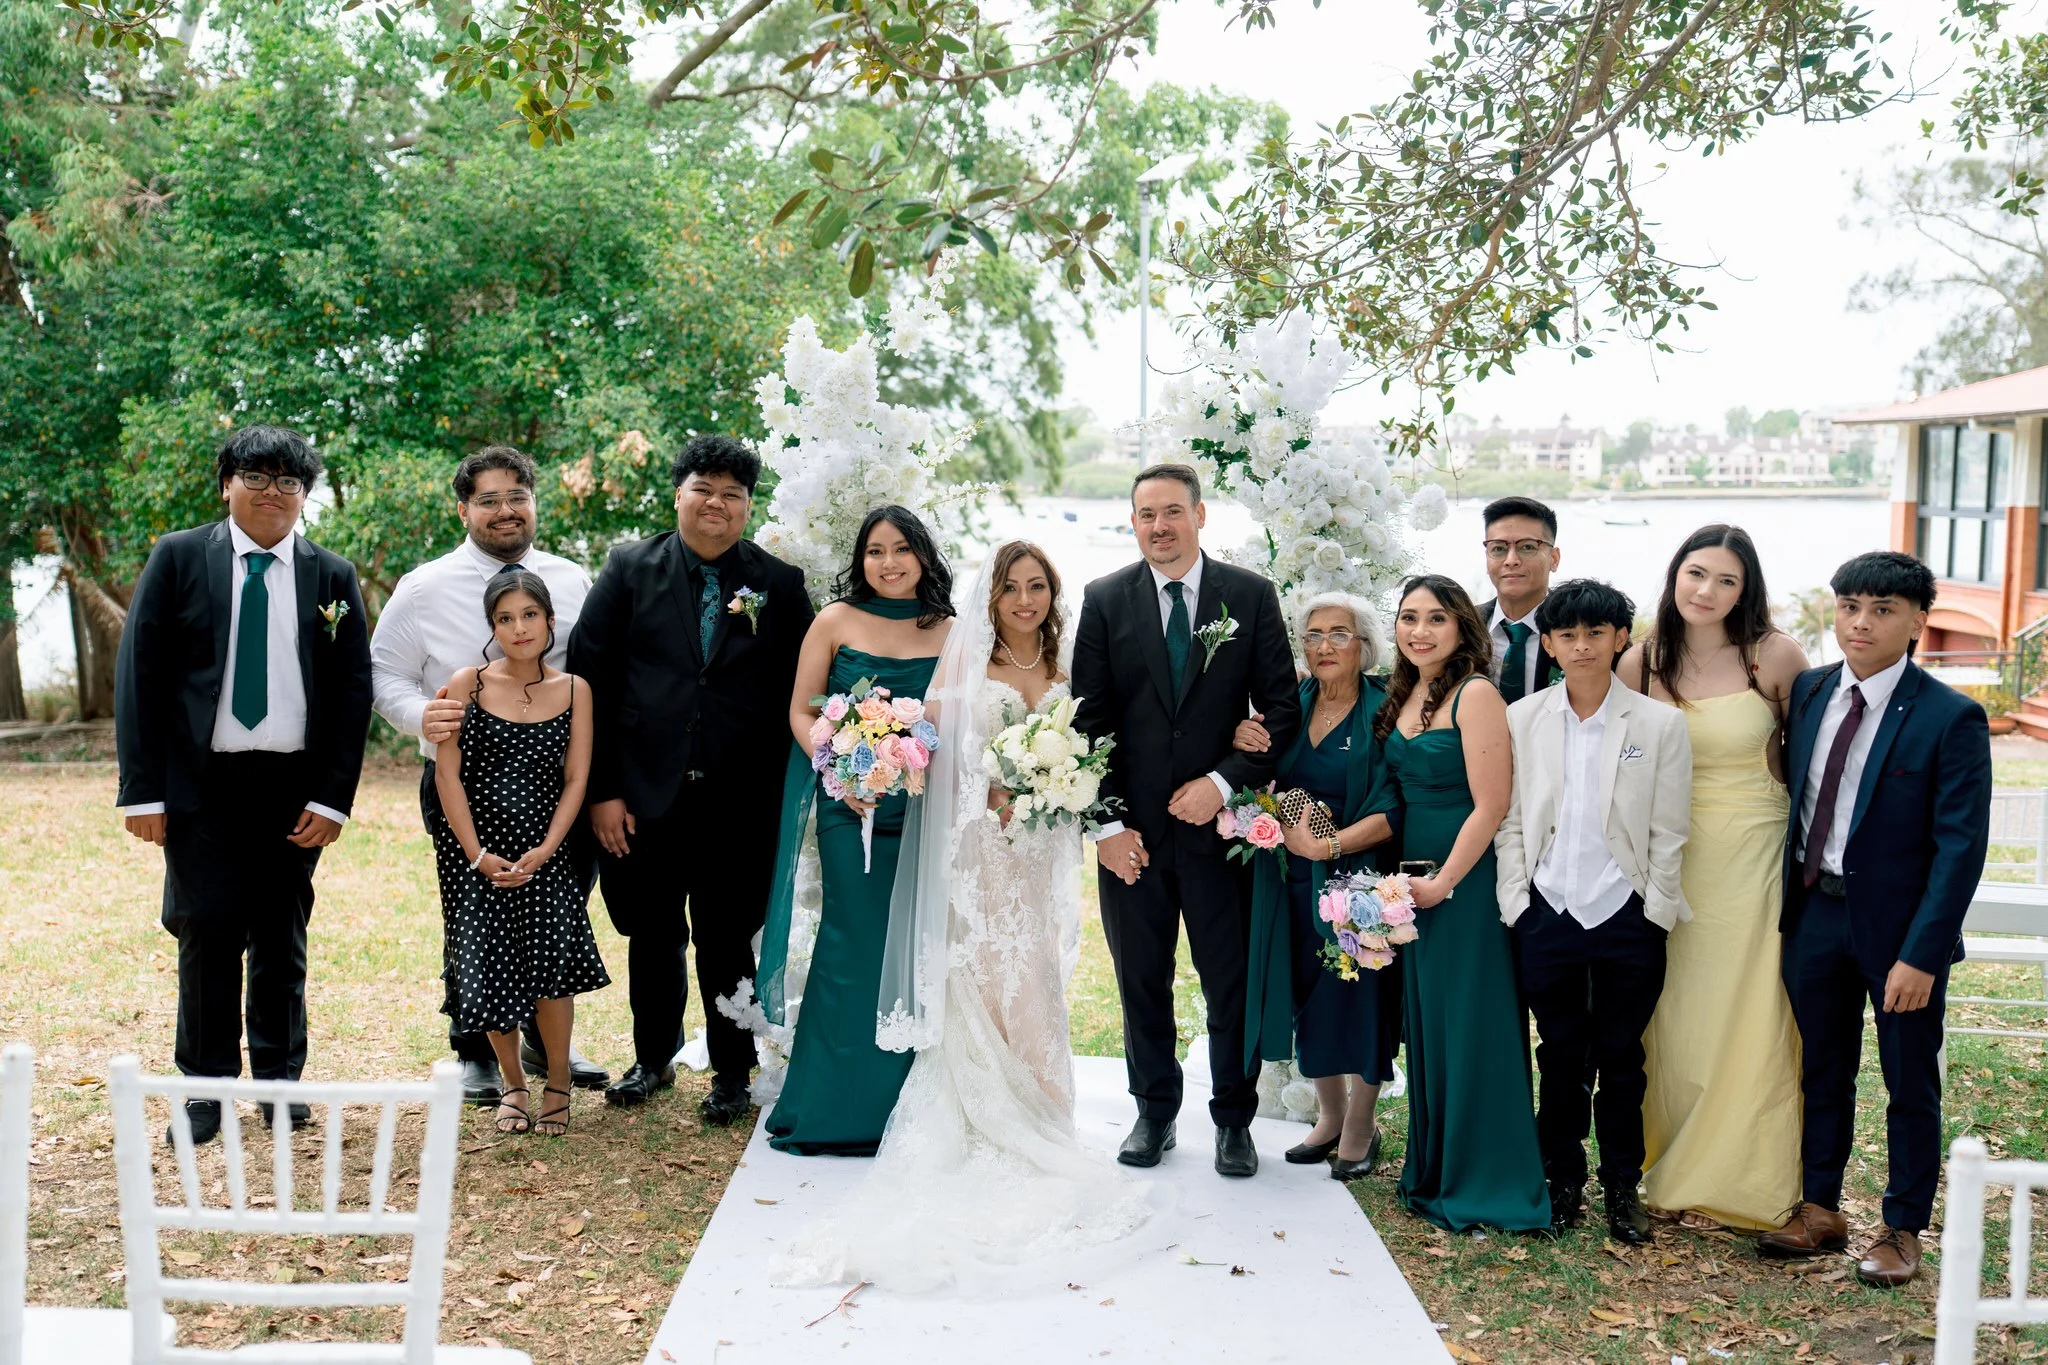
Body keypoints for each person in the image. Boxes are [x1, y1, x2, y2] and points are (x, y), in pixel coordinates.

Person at [773, 542, 1156, 1289]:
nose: (1023, 599)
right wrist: (994, 792)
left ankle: (1047, 1111)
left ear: (1053, 593)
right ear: (992, 598)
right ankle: (991, 1112)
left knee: (1037, 973)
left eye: (1037, 585)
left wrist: (1062, 792)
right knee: (984, 974)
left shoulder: (1072, 669)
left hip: (1043, 847)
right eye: (1011, 587)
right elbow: (943, 759)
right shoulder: (965, 666)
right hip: (982, 849)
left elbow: (1097, 750)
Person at [113, 426, 372, 1145]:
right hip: (201, 783)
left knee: (282, 937)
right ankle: (204, 1089)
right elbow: (140, 673)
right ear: (225, 484)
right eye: (256, 476)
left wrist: (331, 797)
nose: (273, 492)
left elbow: (352, 691)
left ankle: (280, 1082)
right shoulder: (178, 557)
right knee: (205, 931)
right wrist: (143, 790)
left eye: (290, 482)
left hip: (292, 788)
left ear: (304, 497)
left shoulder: (332, 577)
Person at [1759, 551, 1992, 1287]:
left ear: (1918, 620)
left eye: (1882, 610)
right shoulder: (1808, 690)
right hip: (1815, 916)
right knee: (1822, 1069)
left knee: (1908, 1081)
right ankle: (1821, 1206)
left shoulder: (1950, 716)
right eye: (1850, 605)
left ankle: (1901, 1227)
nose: (1861, 622)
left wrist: (1923, 954)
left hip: (1901, 934)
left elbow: (1960, 848)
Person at [567, 435, 813, 1125]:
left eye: (733, 495)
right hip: (642, 794)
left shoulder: (778, 584)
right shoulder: (627, 569)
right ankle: (652, 1058)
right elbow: (591, 679)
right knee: (651, 932)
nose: (717, 504)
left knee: (726, 937)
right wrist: (603, 791)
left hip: (740, 801)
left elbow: (803, 687)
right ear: (679, 493)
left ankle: (732, 1072)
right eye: (704, 489)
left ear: (747, 507)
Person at [1070, 463, 1302, 1178]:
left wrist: (1221, 780)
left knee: (1225, 979)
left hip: (1219, 833)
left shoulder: (1250, 596)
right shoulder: (1105, 599)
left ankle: (1234, 1118)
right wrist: (1107, 828)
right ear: (1133, 522)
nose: (1160, 526)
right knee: (1141, 977)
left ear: (1200, 516)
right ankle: (1154, 1109)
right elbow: (1087, 724)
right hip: (1133, 840)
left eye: (1173, 511)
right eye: (1147, 515)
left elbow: (1284, 711)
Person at [369, 445, 607, 1105]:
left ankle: (545, 1040)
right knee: (474, 911)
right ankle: (476, 1047)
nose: (505, 510)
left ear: (534, 503)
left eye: (517, 497)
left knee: (555, 910)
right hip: (464, 783)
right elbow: (381, 671)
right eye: (489, 499)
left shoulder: (570, 578)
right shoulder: (424, 586)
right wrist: (430, 716)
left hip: (555, 785)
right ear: (464, 508)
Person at [1622, 525, 1808, 1231]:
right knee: (1671, 1014)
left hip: (1752, 855)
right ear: (1675, 575)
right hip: (1666, 857)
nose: (1706, 591)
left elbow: (1810, 761)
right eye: (1696, 573)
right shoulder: (1641, 661)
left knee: (1749, 1010)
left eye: (1726, 580)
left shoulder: (1775, 656)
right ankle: (1667, 1165)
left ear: (1746, 589)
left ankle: (1743, 1176)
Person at [1496, 579, 1692, 1244]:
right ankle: (1561, 1180)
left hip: (1626, 913)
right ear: (1548, 643)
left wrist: (1654, 911)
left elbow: (1670, 830)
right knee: (1558, 1053)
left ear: (1618, 638)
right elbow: (1512, 819)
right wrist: (1518, 903)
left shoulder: (1659, 724)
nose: (1582, 646)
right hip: (1547, 911)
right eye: (1568, 634)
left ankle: (1621, 1186)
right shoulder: (1522, 718)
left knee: (1621, 1056)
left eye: (1596, 633)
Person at [761, 506, 953, 1155]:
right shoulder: (834, 621)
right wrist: (841, 773)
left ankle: (908, 1108)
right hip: (853, 809)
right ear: (860, 558)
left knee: (919, 947)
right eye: (876, 550)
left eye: (902, 548)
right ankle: (832, 1106)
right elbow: (800, 706)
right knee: (854, 941)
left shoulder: (953, 631)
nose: (889, 561)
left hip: (927, 811)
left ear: (923, 555)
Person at [1377, 574, 1549, 1233]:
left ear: (1461, 630)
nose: (1419, 630)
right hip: (1415, 877)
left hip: (1463, 879)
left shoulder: (1476, 693)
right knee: (1432, 1019)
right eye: (1408, 616)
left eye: (1435, 619)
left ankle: (1487, 1177)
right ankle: (1435, 1165)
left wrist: (1445, 881)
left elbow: (1493, 802)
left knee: (1473, 1020)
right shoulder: (1409, 690)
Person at [433, 572, 609, 1136]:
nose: (519, 627)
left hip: (547, 852)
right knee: (489, 968)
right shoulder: (468, 684)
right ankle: (512, 1082)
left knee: (552, 970)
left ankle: (557, 1080)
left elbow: (578, 778)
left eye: (529, 615)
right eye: (505, 619)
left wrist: (548, 848)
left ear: (550, 621)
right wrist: (476, 854)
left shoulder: (577, 689)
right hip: (478, 856)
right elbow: (448, 775)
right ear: (491, 628)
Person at [1233, 593, 1402, 1181]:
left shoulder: (1385, 709)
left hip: (1355, 879)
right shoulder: (1293, 703)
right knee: (1305, 996)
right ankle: (1329, 1117)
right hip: (1287, 880)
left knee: (1356, 998)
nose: (1324, 646)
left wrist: (1330, 846)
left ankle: (1361, 1124)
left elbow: (1393, 803)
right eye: (1312, 635)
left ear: (1365, 645)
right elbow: (1257, 770)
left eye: (1339, 634)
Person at [1476, 496, 1563, 704]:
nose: (1511, 560)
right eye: (1498, 548)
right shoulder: (1464, 626)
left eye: (1527, 547)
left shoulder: (1582, 630)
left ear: (1554, 558)